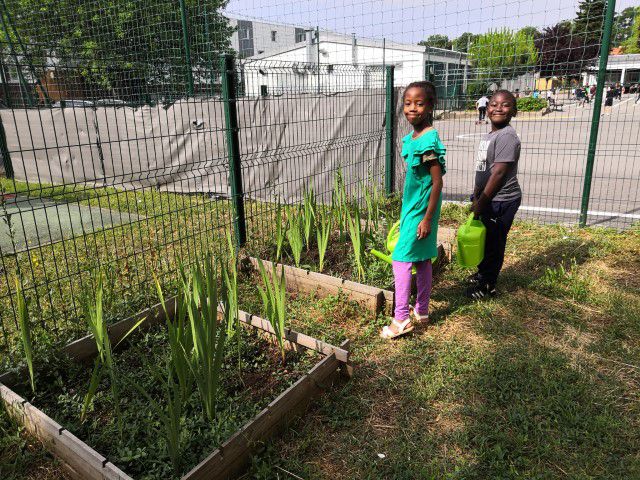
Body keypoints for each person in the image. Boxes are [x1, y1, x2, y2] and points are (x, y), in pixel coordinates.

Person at [381, 81, 445, 339]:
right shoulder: (415, 137)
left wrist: (427, 218)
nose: (412, 109)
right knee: (421, 258)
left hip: (421, 209)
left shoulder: (428, 140)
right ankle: (422, 310)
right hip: (415, 206)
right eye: (408, 103)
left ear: (430, 106)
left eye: (419, 103)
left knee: (401, 258)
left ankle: (401, 318)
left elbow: (437, 181)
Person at [466, 90, 521, 299]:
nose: (498, 108)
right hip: (487, 199)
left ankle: (488, 285)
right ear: (486, 109)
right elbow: (483, 169)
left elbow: (498, 173)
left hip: (501, 200)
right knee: (485, 238)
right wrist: (476, 196)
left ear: (514, 111)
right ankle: (483, 274)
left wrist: (483, 201)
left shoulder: (507, 136)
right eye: (494, 104)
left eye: (505, 105)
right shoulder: (490, 135)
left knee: (495, 243)